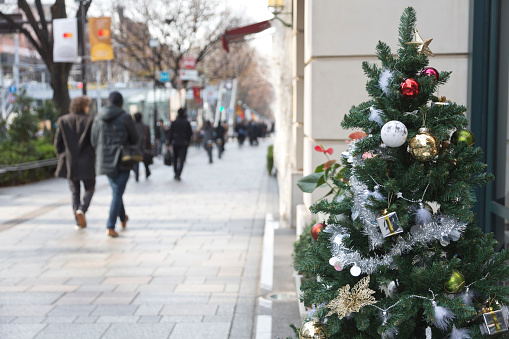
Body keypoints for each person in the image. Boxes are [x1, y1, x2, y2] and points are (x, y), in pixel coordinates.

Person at [91, 91, 139, 238]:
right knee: (117, 193)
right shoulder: (125, 117)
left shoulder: (98, 118)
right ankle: (110, 226)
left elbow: (93, 140)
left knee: (116, 192)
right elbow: (135, 138)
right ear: (120, 102)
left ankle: (123, 218)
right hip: (122, 159)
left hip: (104, 160)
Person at [54, 96, 95, 230]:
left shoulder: (63, 121)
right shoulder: (90, 121)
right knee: (90, 188)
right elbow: (94, 142)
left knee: (74, 192)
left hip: (70, 163)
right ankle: (82, 210)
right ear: (84, 106)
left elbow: (57, 144)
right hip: (87, 162)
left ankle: (78, 220)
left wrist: (63, 155)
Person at [167, 107, 192, 181]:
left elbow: (170, 133)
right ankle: (178, 173)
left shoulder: (174, 122)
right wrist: (187, 141)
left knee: (175, 158)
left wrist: (169, 143)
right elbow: (190, 133)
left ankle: (175, 172)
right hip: (183, 143)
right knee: (181, 159)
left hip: (175, 142)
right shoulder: (186, 122)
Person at [133, 112, 152, 182]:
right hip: (143, 147)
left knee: (136, 163)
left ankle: (137, 176)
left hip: (135, 148)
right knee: (145, 162)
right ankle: (147, 173)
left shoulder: (132, 126)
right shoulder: (145, 127)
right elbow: (148, 138)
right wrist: (149, 147)